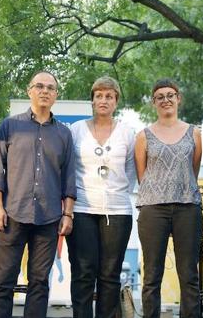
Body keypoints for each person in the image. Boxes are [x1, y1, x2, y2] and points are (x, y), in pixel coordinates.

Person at [0, 70, 76, 318]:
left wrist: (67, 214)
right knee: (4, 280)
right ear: (30, 91)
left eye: (50, 87)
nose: (44, 91)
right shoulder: (10, 125)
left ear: (56, 95)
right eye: (39, 86)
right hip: (11, 215)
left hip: (48, 218)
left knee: (39, 283)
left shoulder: (63, 134)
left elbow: (69, 176)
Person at [67, 76, 136, 318]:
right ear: (93, 100)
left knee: (109, 275)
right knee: (84, 272)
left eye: (109, 96)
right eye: (99, 95)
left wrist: (115, 193)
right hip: (82, 209)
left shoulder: (128, 133)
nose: (103, 100)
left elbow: (130, 172)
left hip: (117, 212)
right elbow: (68, 169)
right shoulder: (76, 130)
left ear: (116, 101)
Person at [134, 79, 203, 318]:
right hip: (153, 208)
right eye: (160, 96)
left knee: (189, 276)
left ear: (178, 98)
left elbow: (192, 171)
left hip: (187, 208)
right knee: (152, 275)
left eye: (170, 95)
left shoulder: (194, 132)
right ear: (154, 102)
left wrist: (180, 188)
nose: (166, 99)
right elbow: (142, 174)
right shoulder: (144, 135)